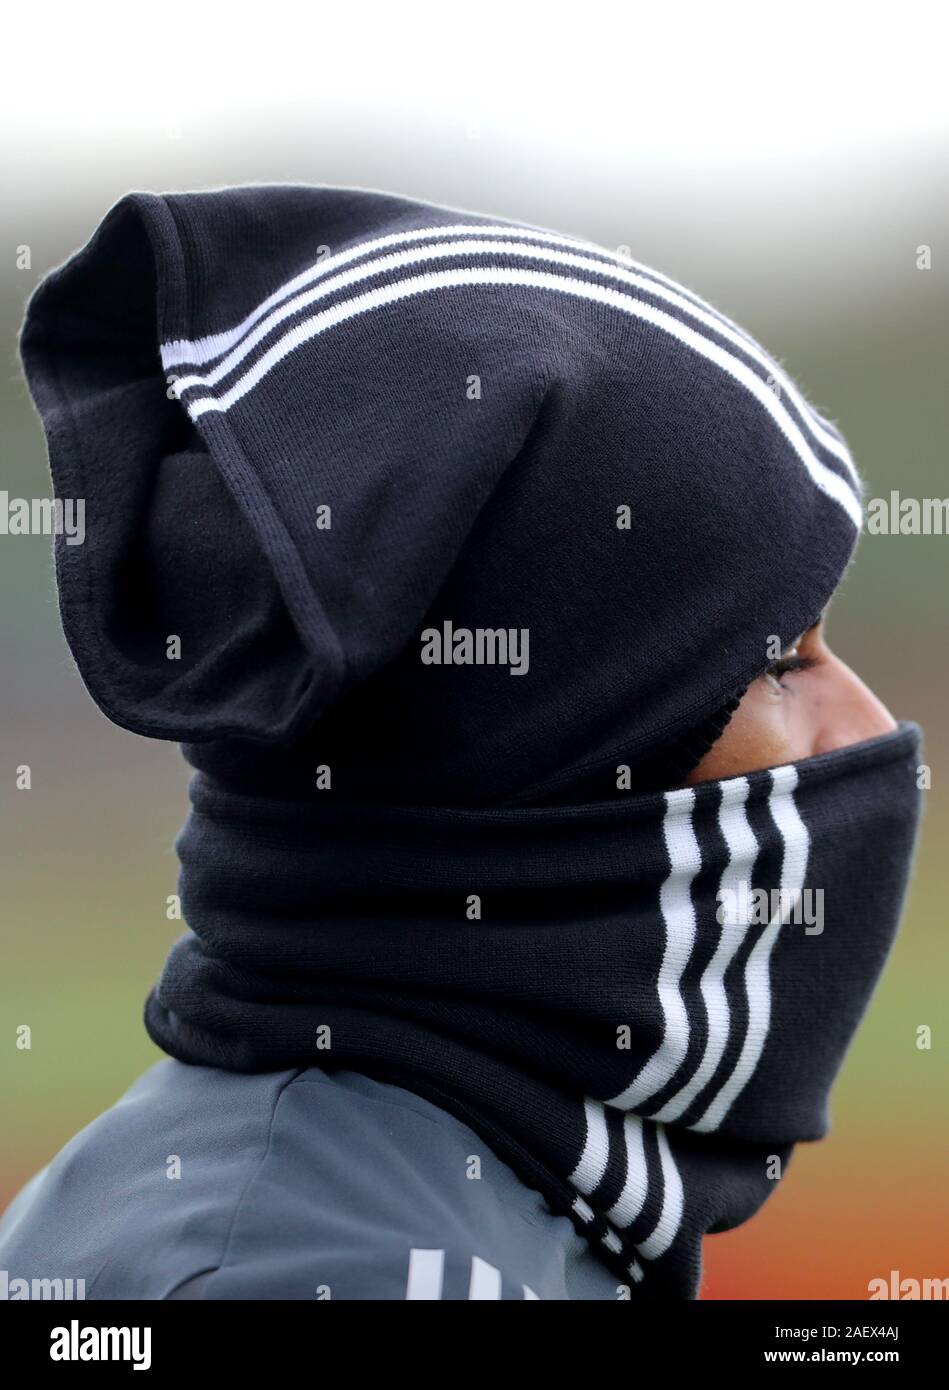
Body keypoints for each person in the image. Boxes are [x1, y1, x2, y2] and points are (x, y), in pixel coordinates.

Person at [0, 186, 921, 1300]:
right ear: (546, 759)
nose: (870, 729)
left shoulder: (455, 1198)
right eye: (778, 662)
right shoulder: (320, 1272)